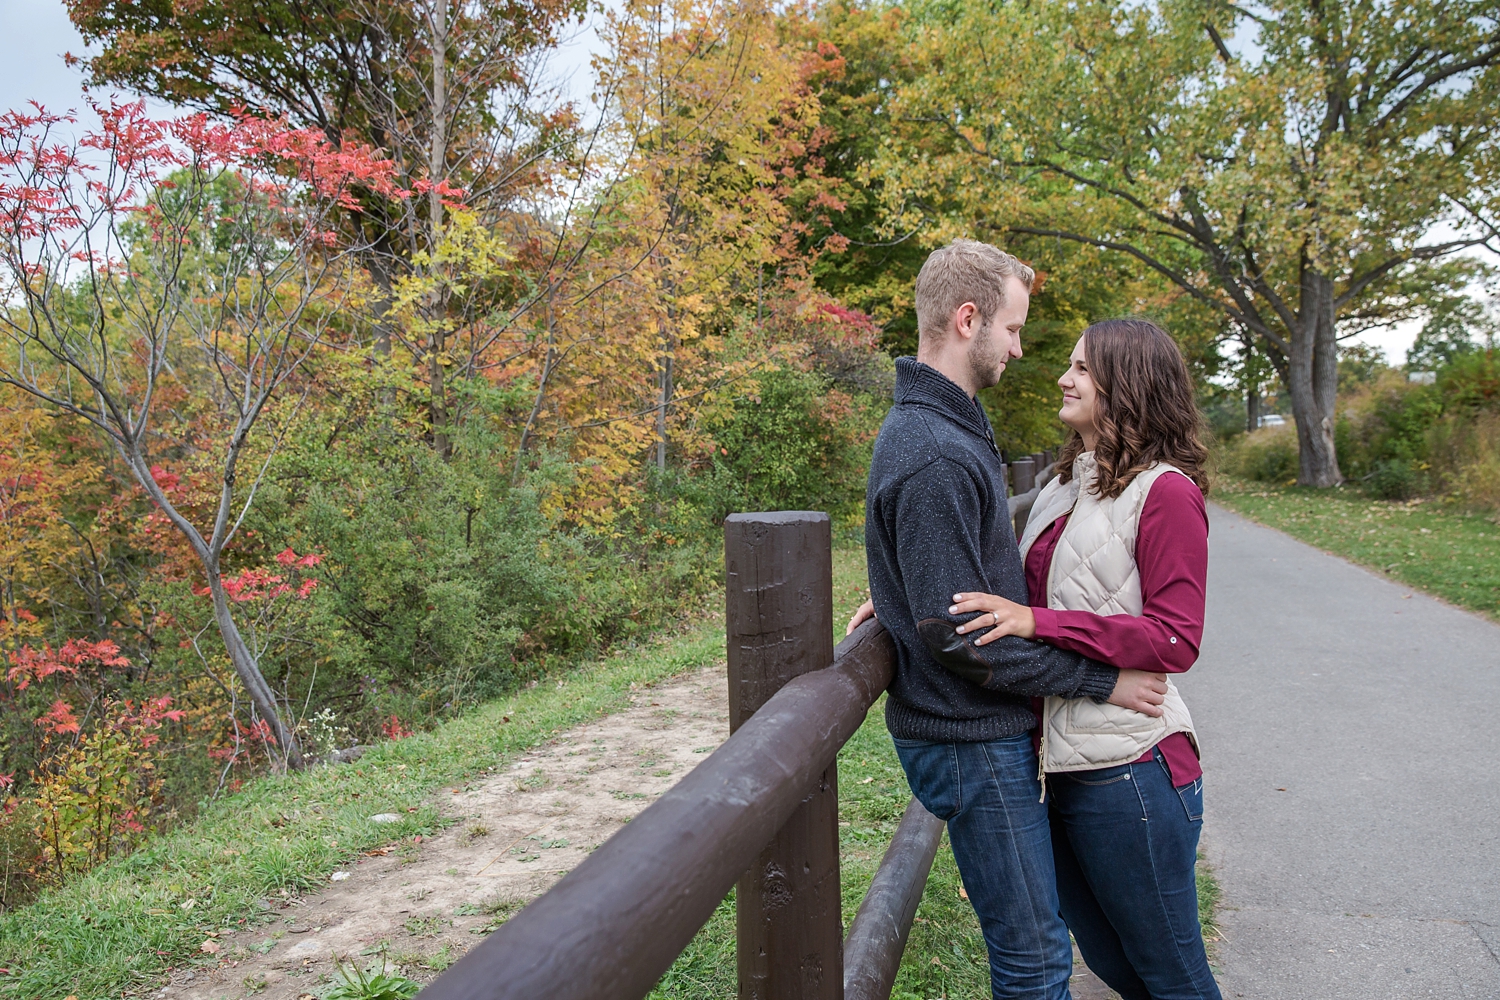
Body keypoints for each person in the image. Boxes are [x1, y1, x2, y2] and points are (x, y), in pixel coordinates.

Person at [857, 318, 1222, 1000]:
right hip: (1064, 764)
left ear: (1130, 384)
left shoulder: (1166, 492)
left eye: (1083, 369)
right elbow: (995, 589)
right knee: (1115, 966)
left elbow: (1176, 639)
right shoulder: (1065, 482)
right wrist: (904, 598)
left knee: (1172, 976)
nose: (1062, 376)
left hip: (1132, 770)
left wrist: (1038, 621)